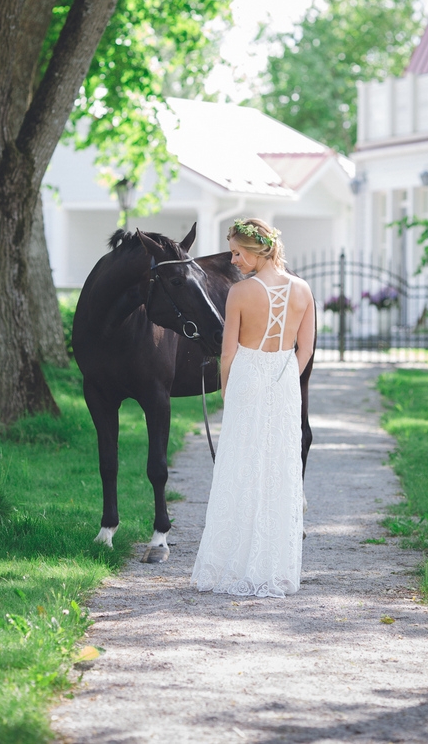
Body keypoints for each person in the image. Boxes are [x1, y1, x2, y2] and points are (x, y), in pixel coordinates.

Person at [191, 217, 315, 598]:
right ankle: (274, 569)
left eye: (237, 252)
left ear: (258, 250)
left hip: (246, 375)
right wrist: (284, 379)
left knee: (240, 465)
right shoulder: (303, 289)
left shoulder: (241, 294)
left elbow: (228, 352)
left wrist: (228, 388)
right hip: (284, 378)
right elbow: (305, 349)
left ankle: (232, 564)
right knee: (278, 467)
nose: (234, 259)